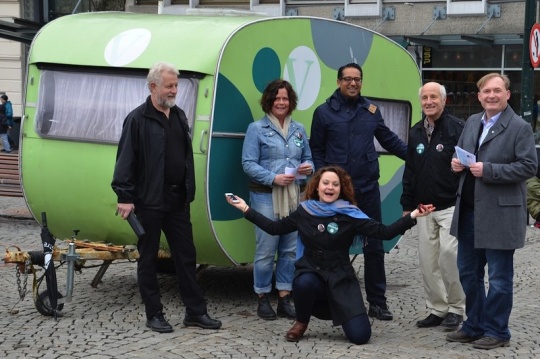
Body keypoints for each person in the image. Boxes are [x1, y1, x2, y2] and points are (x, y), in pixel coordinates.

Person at [225, 166, 435, 344]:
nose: (330, 187)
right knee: (303, 283)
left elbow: (384, 233)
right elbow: (273, 228)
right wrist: (245, 208)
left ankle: (342, 310)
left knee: (361, 336)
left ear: (341, 189)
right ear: (317, 187)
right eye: (326, 183)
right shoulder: (304, 211)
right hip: (311, 272)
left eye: (335, 184)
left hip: (340, 277)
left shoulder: (350, 214)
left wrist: (414, 215)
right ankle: (301, 321)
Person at [111, 61, 221, 333]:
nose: (175, 90)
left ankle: (195, 312)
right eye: (169, 85)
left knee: (186, 257)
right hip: (149, 201)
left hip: (177, 200)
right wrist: (124, 196)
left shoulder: (180, 115)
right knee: (148, 259)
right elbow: (125, 160)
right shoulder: (137, 119)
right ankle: (154, 314)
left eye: (176, 85)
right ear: (153, 86)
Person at [309, 63, 407, 320]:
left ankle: (377, 302)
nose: (353, 83)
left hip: (367, 189)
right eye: (348, 79)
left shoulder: (371, 110)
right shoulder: (323, 112)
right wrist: (323, 181)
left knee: (374, 246)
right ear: (339, 81)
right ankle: (334, 300)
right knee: (334, 247)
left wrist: (418, 157)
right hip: (337, 194)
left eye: (357, 79)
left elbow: (388, 139)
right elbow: (316, 149)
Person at [447, 73, 537, 349]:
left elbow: (528, 167)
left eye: (497, 91)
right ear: (479, 96)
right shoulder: (473, 121)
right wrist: (456, 163)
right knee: (467, 272)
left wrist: (490, 171)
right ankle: (474, 324)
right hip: (469, 210)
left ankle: (498, 331)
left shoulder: (519, 127)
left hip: (500, 214)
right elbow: (463, 153)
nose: (491, 96)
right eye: (486, 91)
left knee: (498, 278)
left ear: (508, 94)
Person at [242, 79, 314, 320]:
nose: (281, 102)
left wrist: (307, 168)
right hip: (265, 196)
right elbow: (248, 164)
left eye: (285, 98)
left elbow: (309, 158)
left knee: (290, 250)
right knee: (266, 249)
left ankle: (284, 296)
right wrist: (273, 178)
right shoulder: (256, 129)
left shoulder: (299, 129)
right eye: (276, 98)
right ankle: (263, 297)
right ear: (269, 101)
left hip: (294, 196)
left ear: (290, 101)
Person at [400, 82, 466, 330]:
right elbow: (411, 170)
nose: (429, 102)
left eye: (433, 97)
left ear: (444, 100)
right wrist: (407, 204)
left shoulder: (456, 128)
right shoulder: (416, 131)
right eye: (425, 97)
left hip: (450, 206)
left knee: (449, 257)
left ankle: (457, 308)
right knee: (428, 262)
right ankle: (437, 308)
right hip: (423, 208)